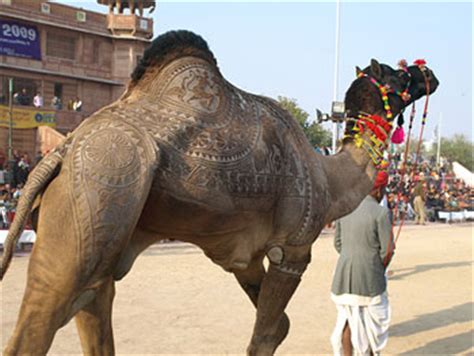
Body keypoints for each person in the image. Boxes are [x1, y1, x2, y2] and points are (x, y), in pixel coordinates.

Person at [330, 170, 394, 356]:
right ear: (378, 190)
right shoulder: (381, 213)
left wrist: (353, 257)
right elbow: (388, 250)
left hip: (342, 278)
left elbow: (338, 243)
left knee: (347, 321)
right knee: (371, 327)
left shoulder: (345, 209)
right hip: (370, 280)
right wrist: (375, 265)